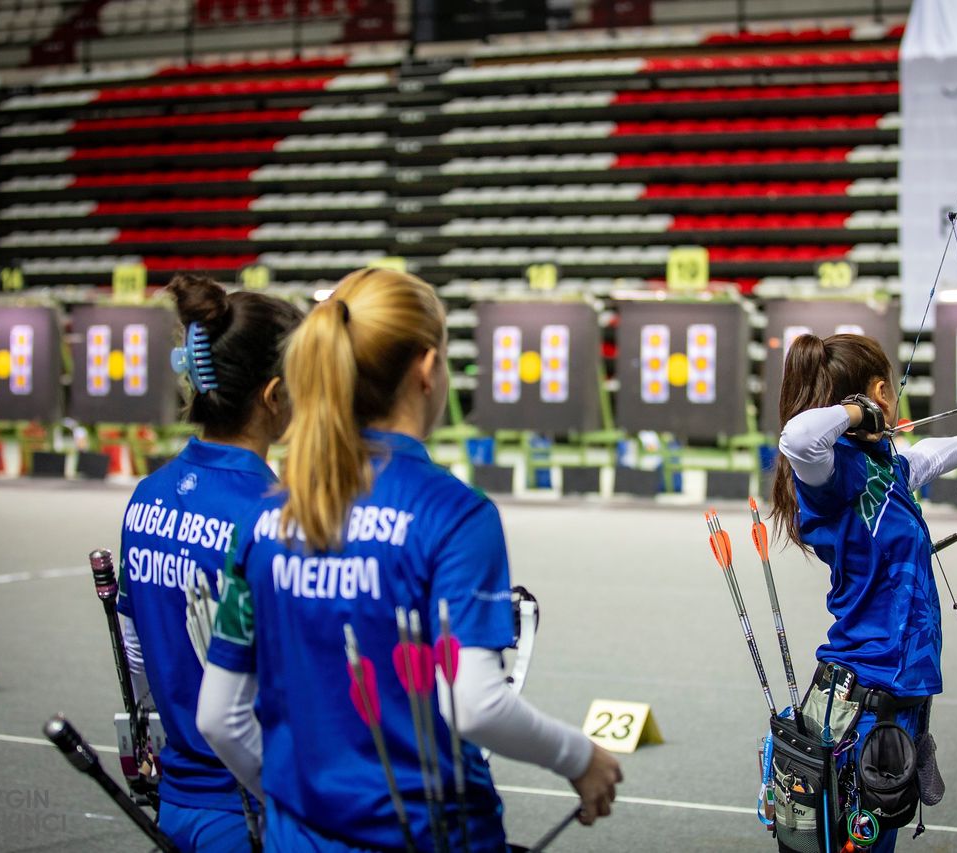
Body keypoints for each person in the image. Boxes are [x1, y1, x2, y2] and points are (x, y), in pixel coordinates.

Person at [197, 267, 622, 852]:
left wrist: (296, 805)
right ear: (426, 369)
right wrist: (582, 757)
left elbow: (219, 718)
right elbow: (473, 704)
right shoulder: (453, 514)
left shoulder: (270, 513)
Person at [771, 333, 957, 853]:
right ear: (879, 391)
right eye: (889, 391)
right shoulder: (831, 473)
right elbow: (797, 438)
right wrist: (857, 412)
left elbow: (922, 460)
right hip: (864, 692)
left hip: (898, 689)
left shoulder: (886, 467)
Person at [117, 273, 304, 852]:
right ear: (273, 396)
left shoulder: (147, 495)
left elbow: (136, 653)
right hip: (253, 807)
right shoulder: (274, 515)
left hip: (177, 804)